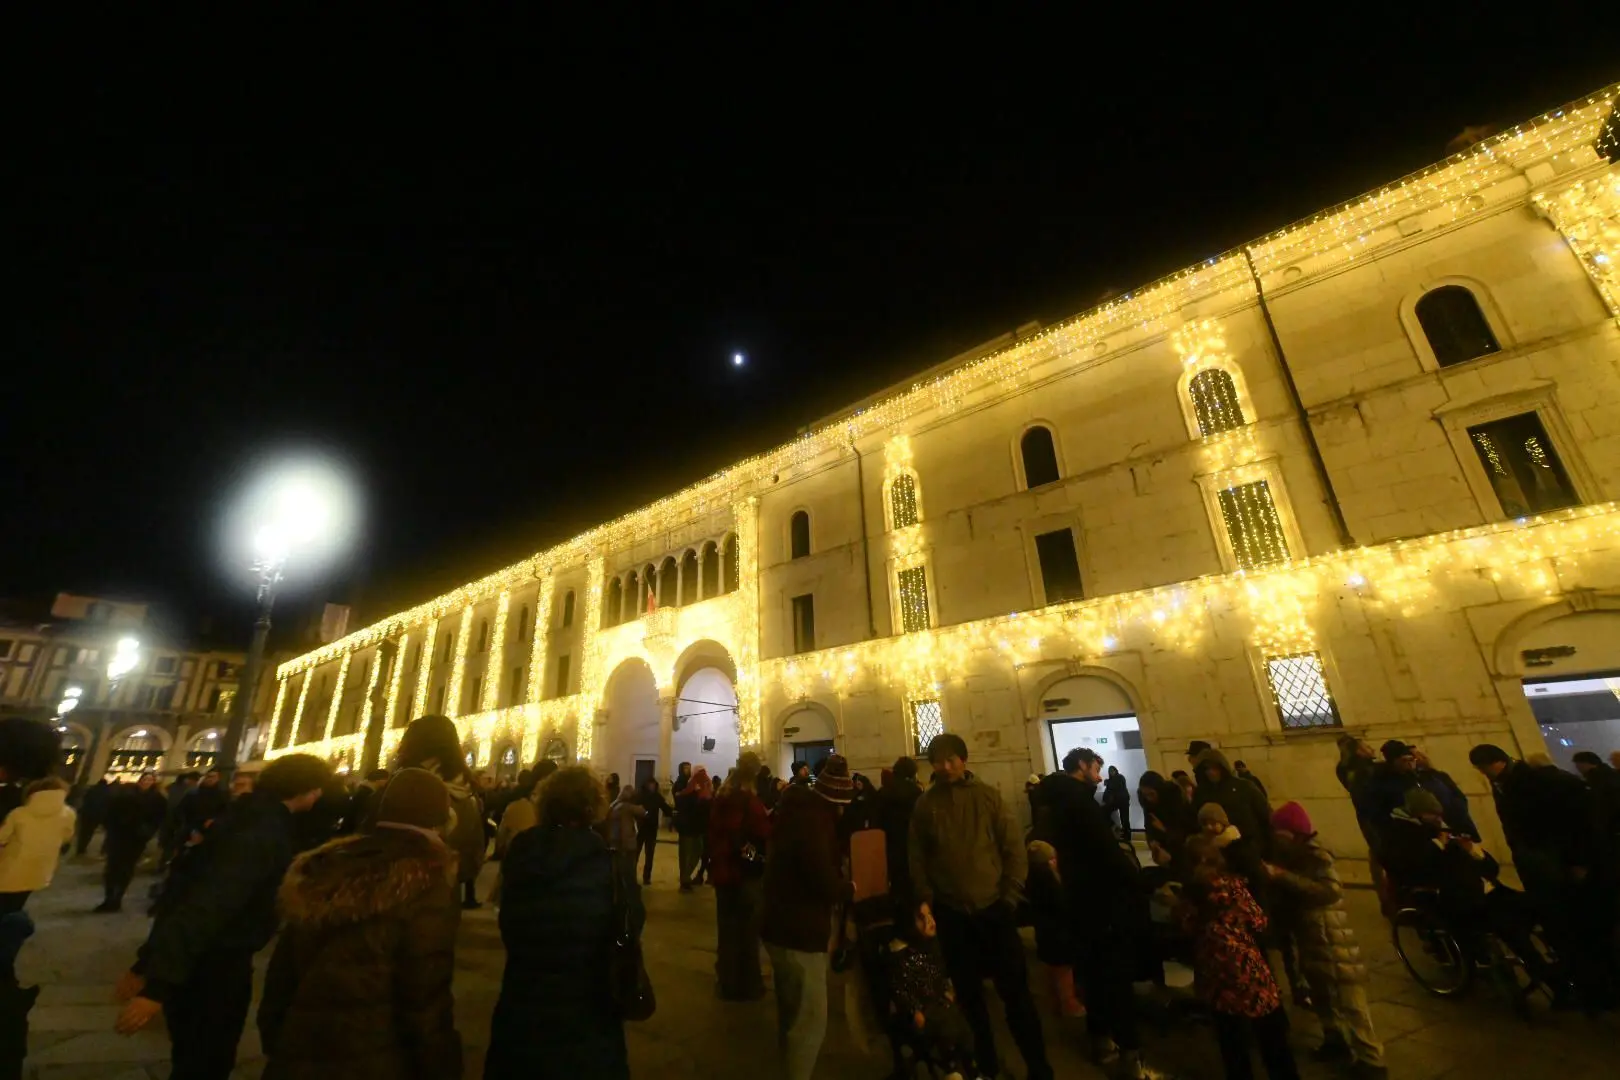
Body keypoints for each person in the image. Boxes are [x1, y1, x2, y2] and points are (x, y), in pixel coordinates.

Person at [114, 754, 333, 1079]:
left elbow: (184, 891)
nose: (318, 797)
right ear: (304, 789)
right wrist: (157, 986)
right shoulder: (263, 830)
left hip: (206, 956)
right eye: (317, 789)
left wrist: (147, 961)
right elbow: (211, 902)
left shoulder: (242, 816)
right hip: (217, 963)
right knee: (207, 1060)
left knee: (192, 1055)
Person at [257, 767, 462, 1078]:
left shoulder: (325, 867)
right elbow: (424, 998)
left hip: (300, 1052)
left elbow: (280, 978)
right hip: (375, 1058)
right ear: (439, 817)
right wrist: (441, 1066)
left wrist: (279, 1042)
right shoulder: (426, 879)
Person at [909, 733, 1053, 1080]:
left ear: (963, 760)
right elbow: (916, 857)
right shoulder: (926, 805)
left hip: (994, 911)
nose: (944, 767)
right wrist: (928, 899)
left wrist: (1009, 898)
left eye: (950, 760)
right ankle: (985, 1066)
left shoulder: (988, 798)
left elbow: (1013, 850)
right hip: (952, 914)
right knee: (970, 1000)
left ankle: (1039, 1067)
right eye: (937, 762)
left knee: (1016, 996)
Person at [484, 766, 633, 1079]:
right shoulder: (606, 862)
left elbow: (509, 924)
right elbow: (628, 927)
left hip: (523, 1005)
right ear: (592, 807)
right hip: (588, 1010)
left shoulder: (522, 854)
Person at [1468, 743, 1617, 1010]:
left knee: (1577, 928)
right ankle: (1586, 987)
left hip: (1557, 868)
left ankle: (1595, 990)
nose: (1483, 774)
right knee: (1567, 928)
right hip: (1545, 869)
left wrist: (1577, 861)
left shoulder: (1534, 783)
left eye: (1482, 768)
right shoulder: (1511, 783)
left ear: (1495, 763)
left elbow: (1568, 825)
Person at [1042, 747, 1154, 1075]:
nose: (1099, 776)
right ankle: (1129, 1049)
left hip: (1078, 900)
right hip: (1102, 903)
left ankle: (1099, 1037)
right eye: (1095, 768)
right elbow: (1104, 853)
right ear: (1082, 766)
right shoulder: (1080, 802)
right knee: (1114, 976)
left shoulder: (1058, 802)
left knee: (1091, 972)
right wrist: (1137, 881)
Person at [1263, 802, 1384, 1078]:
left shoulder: (1316, 855)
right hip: (1311, 936)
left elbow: (1329, 892)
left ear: (1293, 831)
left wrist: (1284, 877)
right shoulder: (1291, 854)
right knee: (1322, 994)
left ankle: (1372, 1060)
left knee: (1350, 1000)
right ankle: (1335, 1039)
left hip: (1330, 936)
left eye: (1280, 831)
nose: (1276, 836)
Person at [761, 754, 852, 1080]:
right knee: (810, 1022)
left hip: (778, 924)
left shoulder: (796, 812)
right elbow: (819, 877)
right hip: (799, 930)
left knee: (793, 1016)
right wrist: (848, 888)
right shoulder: (814, 822)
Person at [1179, 835, 1300, 1080]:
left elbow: (1186, 927)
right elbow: (1259, 921)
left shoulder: (1192, 894)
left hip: (1217, 978)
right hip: (1248, 971)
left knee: (1232, 1044)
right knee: (1272, 1040)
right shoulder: (1232, 888)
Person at [393, 716, 487, 911]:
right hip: (443, 899)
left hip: (397, 897)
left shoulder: (405, 784)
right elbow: (473, 856)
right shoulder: (466, 790)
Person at [884, 900, 976, 1079]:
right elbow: (899, 988)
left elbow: (940, 973)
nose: (929, 921)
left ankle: (967, 1068)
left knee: (963, 1029)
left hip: (938, 1002)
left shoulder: (931, 947)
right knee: (944, 1032)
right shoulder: (900, 957)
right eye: (921, 918)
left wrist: (947, 989)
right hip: (922, 1011)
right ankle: (952, 1069)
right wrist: (914, 1009)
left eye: (929, 915)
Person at [709, 751, 771, 1001]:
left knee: (727, 930)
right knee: (747, 931)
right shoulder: (744, 799)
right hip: (741, 873)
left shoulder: (722, 796)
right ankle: (746, 984)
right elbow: (750, 832)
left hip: (723, 871)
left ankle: (727, 980)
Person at [1025, 839, 1084, 1018]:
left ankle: (1056, 1003)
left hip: (1046, 935)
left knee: (1053, 972)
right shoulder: (1048, 881)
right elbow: (1062, 905)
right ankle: (1069, 1004)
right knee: (1064, 973)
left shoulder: (1033, 880)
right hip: (1060, 937)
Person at [0, 778, 76, 913]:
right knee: (18, 903)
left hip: (11, 867)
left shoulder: (19, 813)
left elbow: (2, 837)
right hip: (40, 867)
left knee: (5, 900)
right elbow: (66, 837)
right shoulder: (68, 814)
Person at [97, 771, 167, 913]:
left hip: (137, 838)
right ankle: (109, 898)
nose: (146, 782)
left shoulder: (157, 799)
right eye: (144, 779)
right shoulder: (126, 794)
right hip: (119, 834)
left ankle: (117, 898)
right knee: (112, 868)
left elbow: (158, 819)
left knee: (126, 868)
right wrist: (110, 826)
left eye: (150, 780)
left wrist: (147, 832)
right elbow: (111, 811)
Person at [876, 756, 925, 902]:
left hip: (889, 844)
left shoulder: (883, 792)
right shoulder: (916, 792)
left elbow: (876, 820)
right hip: (910, 844)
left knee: (895, 884)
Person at [1138, 770, 1195, 861]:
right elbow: (1149, 824)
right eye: (1145, 795)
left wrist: (1164, 829)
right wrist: (1152, 841)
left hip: (1183, 849)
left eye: (1151, 794)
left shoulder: (1175, 799)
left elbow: (1185, 829)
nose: (1149, 799)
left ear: (1159, 790)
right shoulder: (1148, 804)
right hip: (1164, 849)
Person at [675, 765, 713, 891]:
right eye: (685, 768)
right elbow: (680, 801)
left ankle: (685, 877)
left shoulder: (702, 787)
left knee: (697, 851)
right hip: (687, 826)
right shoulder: (683, 785)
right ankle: (684, 880)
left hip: (697, 826)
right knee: (686, 854)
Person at [633, 777, 675, 885]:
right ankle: (632, 875)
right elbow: (634, 810)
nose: (652, 786)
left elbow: (665, 808)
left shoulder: (656, 796)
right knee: (636, 853)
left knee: (649, 854)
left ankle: (647, 877)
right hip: (641, 827)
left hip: (651, 828)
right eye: (650, 784)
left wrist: (674, 813)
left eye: (653, 784)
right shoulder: (640, 795)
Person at [159, 773, 201, 868]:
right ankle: (168, 863)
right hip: (179, 820)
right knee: (174, 843)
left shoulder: (174, 786)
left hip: (171, 818)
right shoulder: (192, 790)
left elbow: (163, 789)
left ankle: (164, 862)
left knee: (168, 843)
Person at [339, 768, 390, 836]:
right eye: (385, 779)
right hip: (355, 831)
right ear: (378, 779)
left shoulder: (365, 790)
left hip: (352, 828)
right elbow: (360, 813)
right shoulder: (366, 793)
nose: (387, 781)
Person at [75, 778, 111, 856]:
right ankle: (88, 848)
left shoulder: (92, 789)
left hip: (87, 813)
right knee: (91, 831)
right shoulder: (108, 792)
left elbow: (85, 799)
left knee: (84, 831)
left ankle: (80, 848)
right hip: (98, 814)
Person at [1102, 765, 1131, 838]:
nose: (1111, 772)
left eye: (1112, 770)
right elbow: (1108, 791)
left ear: (1116, 770)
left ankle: (1126, 835)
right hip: (1117, 801)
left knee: (1124, 818)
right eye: (1110, 771)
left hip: (1122, 800)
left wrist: (1108, 782)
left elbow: (1115, 785)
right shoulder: (1111, 780)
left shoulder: (1120, 777)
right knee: (1103, 811)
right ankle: (1117, 828)